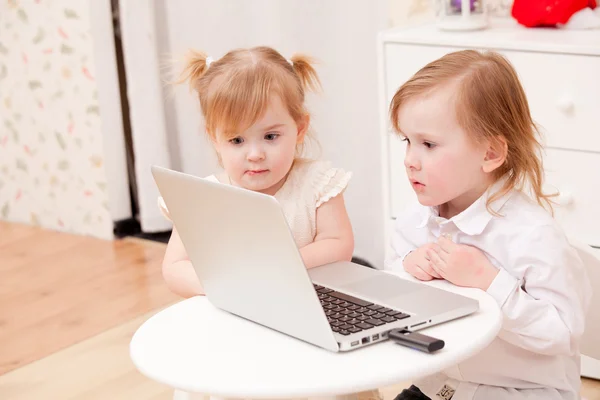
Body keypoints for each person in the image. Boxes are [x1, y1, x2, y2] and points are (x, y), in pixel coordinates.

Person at [385, 49, 591, 400]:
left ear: (490, 153)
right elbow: (392, 298)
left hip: (524, 391)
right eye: (408, 141)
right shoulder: (413, 223)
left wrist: (490, 282)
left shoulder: (532, 235)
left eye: (429, 144)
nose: (409, 160)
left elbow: (563, 333)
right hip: (443, 385)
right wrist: (405, 271)